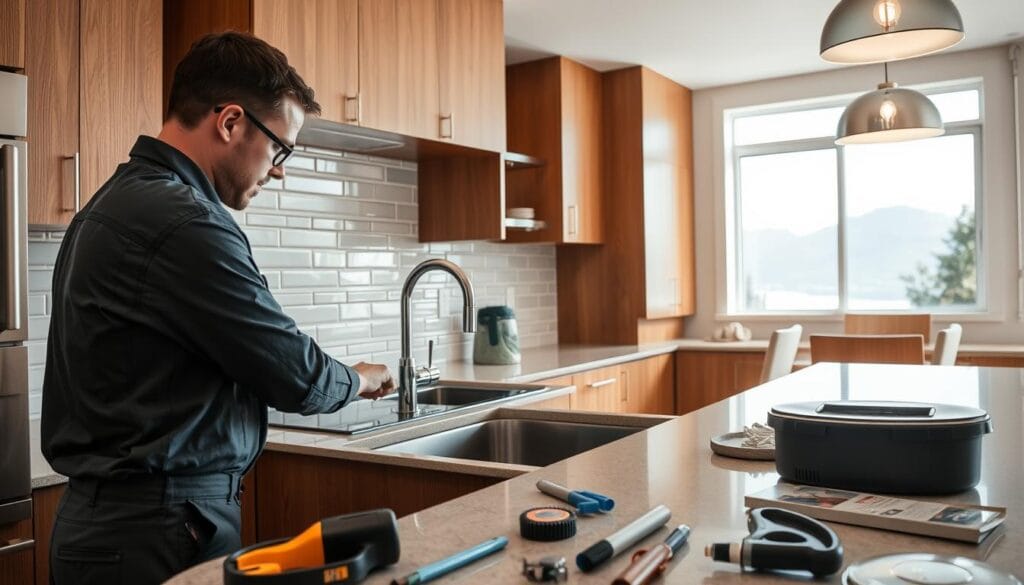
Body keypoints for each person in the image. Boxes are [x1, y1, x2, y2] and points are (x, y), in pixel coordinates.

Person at [41, 31, 394, 585]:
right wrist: (360, 379)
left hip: (121, 524)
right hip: (155, 529)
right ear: (230, 122)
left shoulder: (116, 202)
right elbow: (292, 371)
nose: (279, 170)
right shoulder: (185, 222)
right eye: (280, 149)